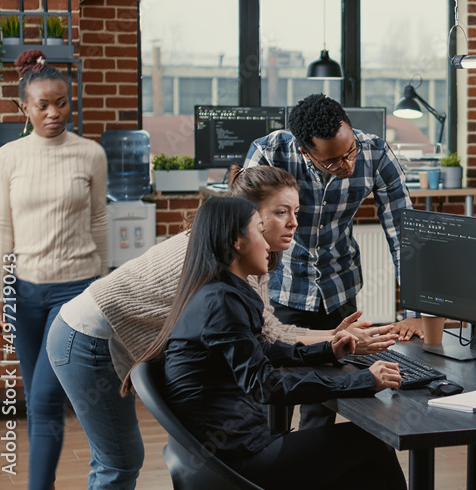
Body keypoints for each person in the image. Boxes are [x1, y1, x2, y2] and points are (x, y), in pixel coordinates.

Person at [46, 166, 396, 489]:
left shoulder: (233, 270)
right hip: (87, 335)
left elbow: (263, 332)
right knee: (119, 462)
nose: (293, 223)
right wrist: (354, 368)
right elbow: (263, 357)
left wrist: (334, 340)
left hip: (217, 434)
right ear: (242, 226)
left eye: (296, 212)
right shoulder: (211, 273)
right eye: (279, 212)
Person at [124, 196, 406, 490]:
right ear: (237, 241)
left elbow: (261, 350)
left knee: (359, 463)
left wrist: (327, 349)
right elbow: (264, 384)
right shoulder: (220, 302)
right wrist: (362, 380)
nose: (268, 244)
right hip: (239, 464)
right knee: (374, 442)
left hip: (231, 452)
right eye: (260, 231)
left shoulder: (217, 291)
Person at [244, 93, 423, 428]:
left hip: (338, 289)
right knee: (271, 393)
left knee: (324, 397)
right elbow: (243, 231)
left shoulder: (374, 151)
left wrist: (413, 313)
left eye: (350, 150)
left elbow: (404, 236)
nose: (348, 165)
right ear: (304, 151)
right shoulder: (270, 153)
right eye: (333, 161)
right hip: (281, 288)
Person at [0, 49, 108, 490]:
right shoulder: (8, 157)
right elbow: (0, 227)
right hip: (22, 293)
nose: (54, 112)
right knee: (39, 399)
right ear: (25, 108)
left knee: (44, 397)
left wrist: (100, 287)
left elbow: (98, 222)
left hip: (73, 292)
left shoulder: (90, 154)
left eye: (61, 102)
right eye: (43, 105)